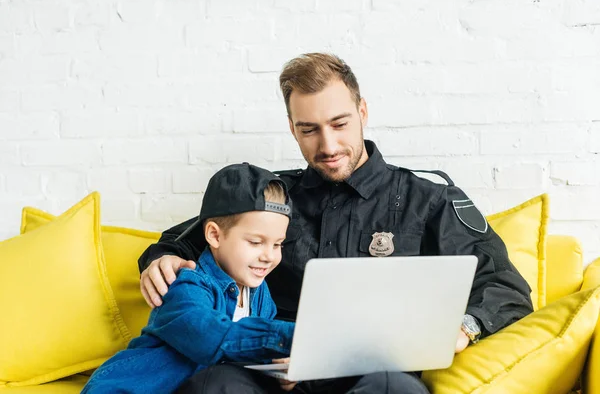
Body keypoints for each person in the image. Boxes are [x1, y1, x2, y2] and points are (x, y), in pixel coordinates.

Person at [138, 53, 534, 394]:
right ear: (293, 129)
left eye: (339, 124)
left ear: (362, 112)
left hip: (371, 376)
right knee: (213, 385)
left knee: (393, 389)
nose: (326, 146)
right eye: (309, 130)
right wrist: (163, 257)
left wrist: (465, 328)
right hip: (267, 375)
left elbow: (505, 286)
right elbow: (195, 237)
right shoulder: (272, 196)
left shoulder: (428, 200)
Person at [82, 163, 296, 394]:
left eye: (277, 244)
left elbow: (241, 360)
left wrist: (279, 368)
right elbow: (210, 338)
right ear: (214, 235)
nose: (269, 256)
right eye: (255, 242)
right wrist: (294, 337)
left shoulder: (260, 295)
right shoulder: (187, 285)